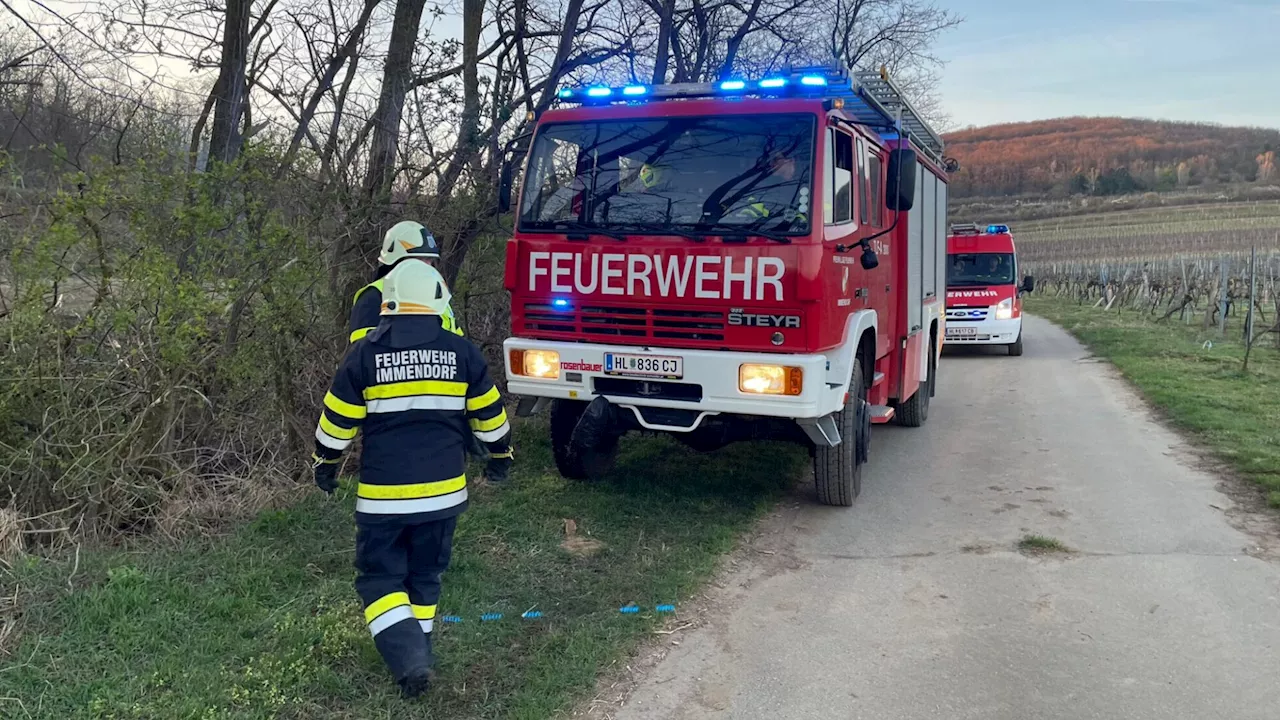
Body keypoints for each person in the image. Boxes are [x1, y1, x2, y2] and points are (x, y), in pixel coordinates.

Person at [312, 261, 514, 698]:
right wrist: (500, 457)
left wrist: (324, 463)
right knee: (425, 576)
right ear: (438, 302)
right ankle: (418, 654)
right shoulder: (461, 351)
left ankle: (409, 661)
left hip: (383, 500)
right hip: (444, 498)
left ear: (389, 305)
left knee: (379, 579)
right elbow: (491, 417)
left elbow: (336, 422)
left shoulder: (364, 354)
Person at [350, 220, 463, 344]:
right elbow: (364, 352)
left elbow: (459, 345)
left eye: (429, 259)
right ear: (396, 260)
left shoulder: (437, 296)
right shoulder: (373, 297)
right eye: (419, 259)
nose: (426, 266)